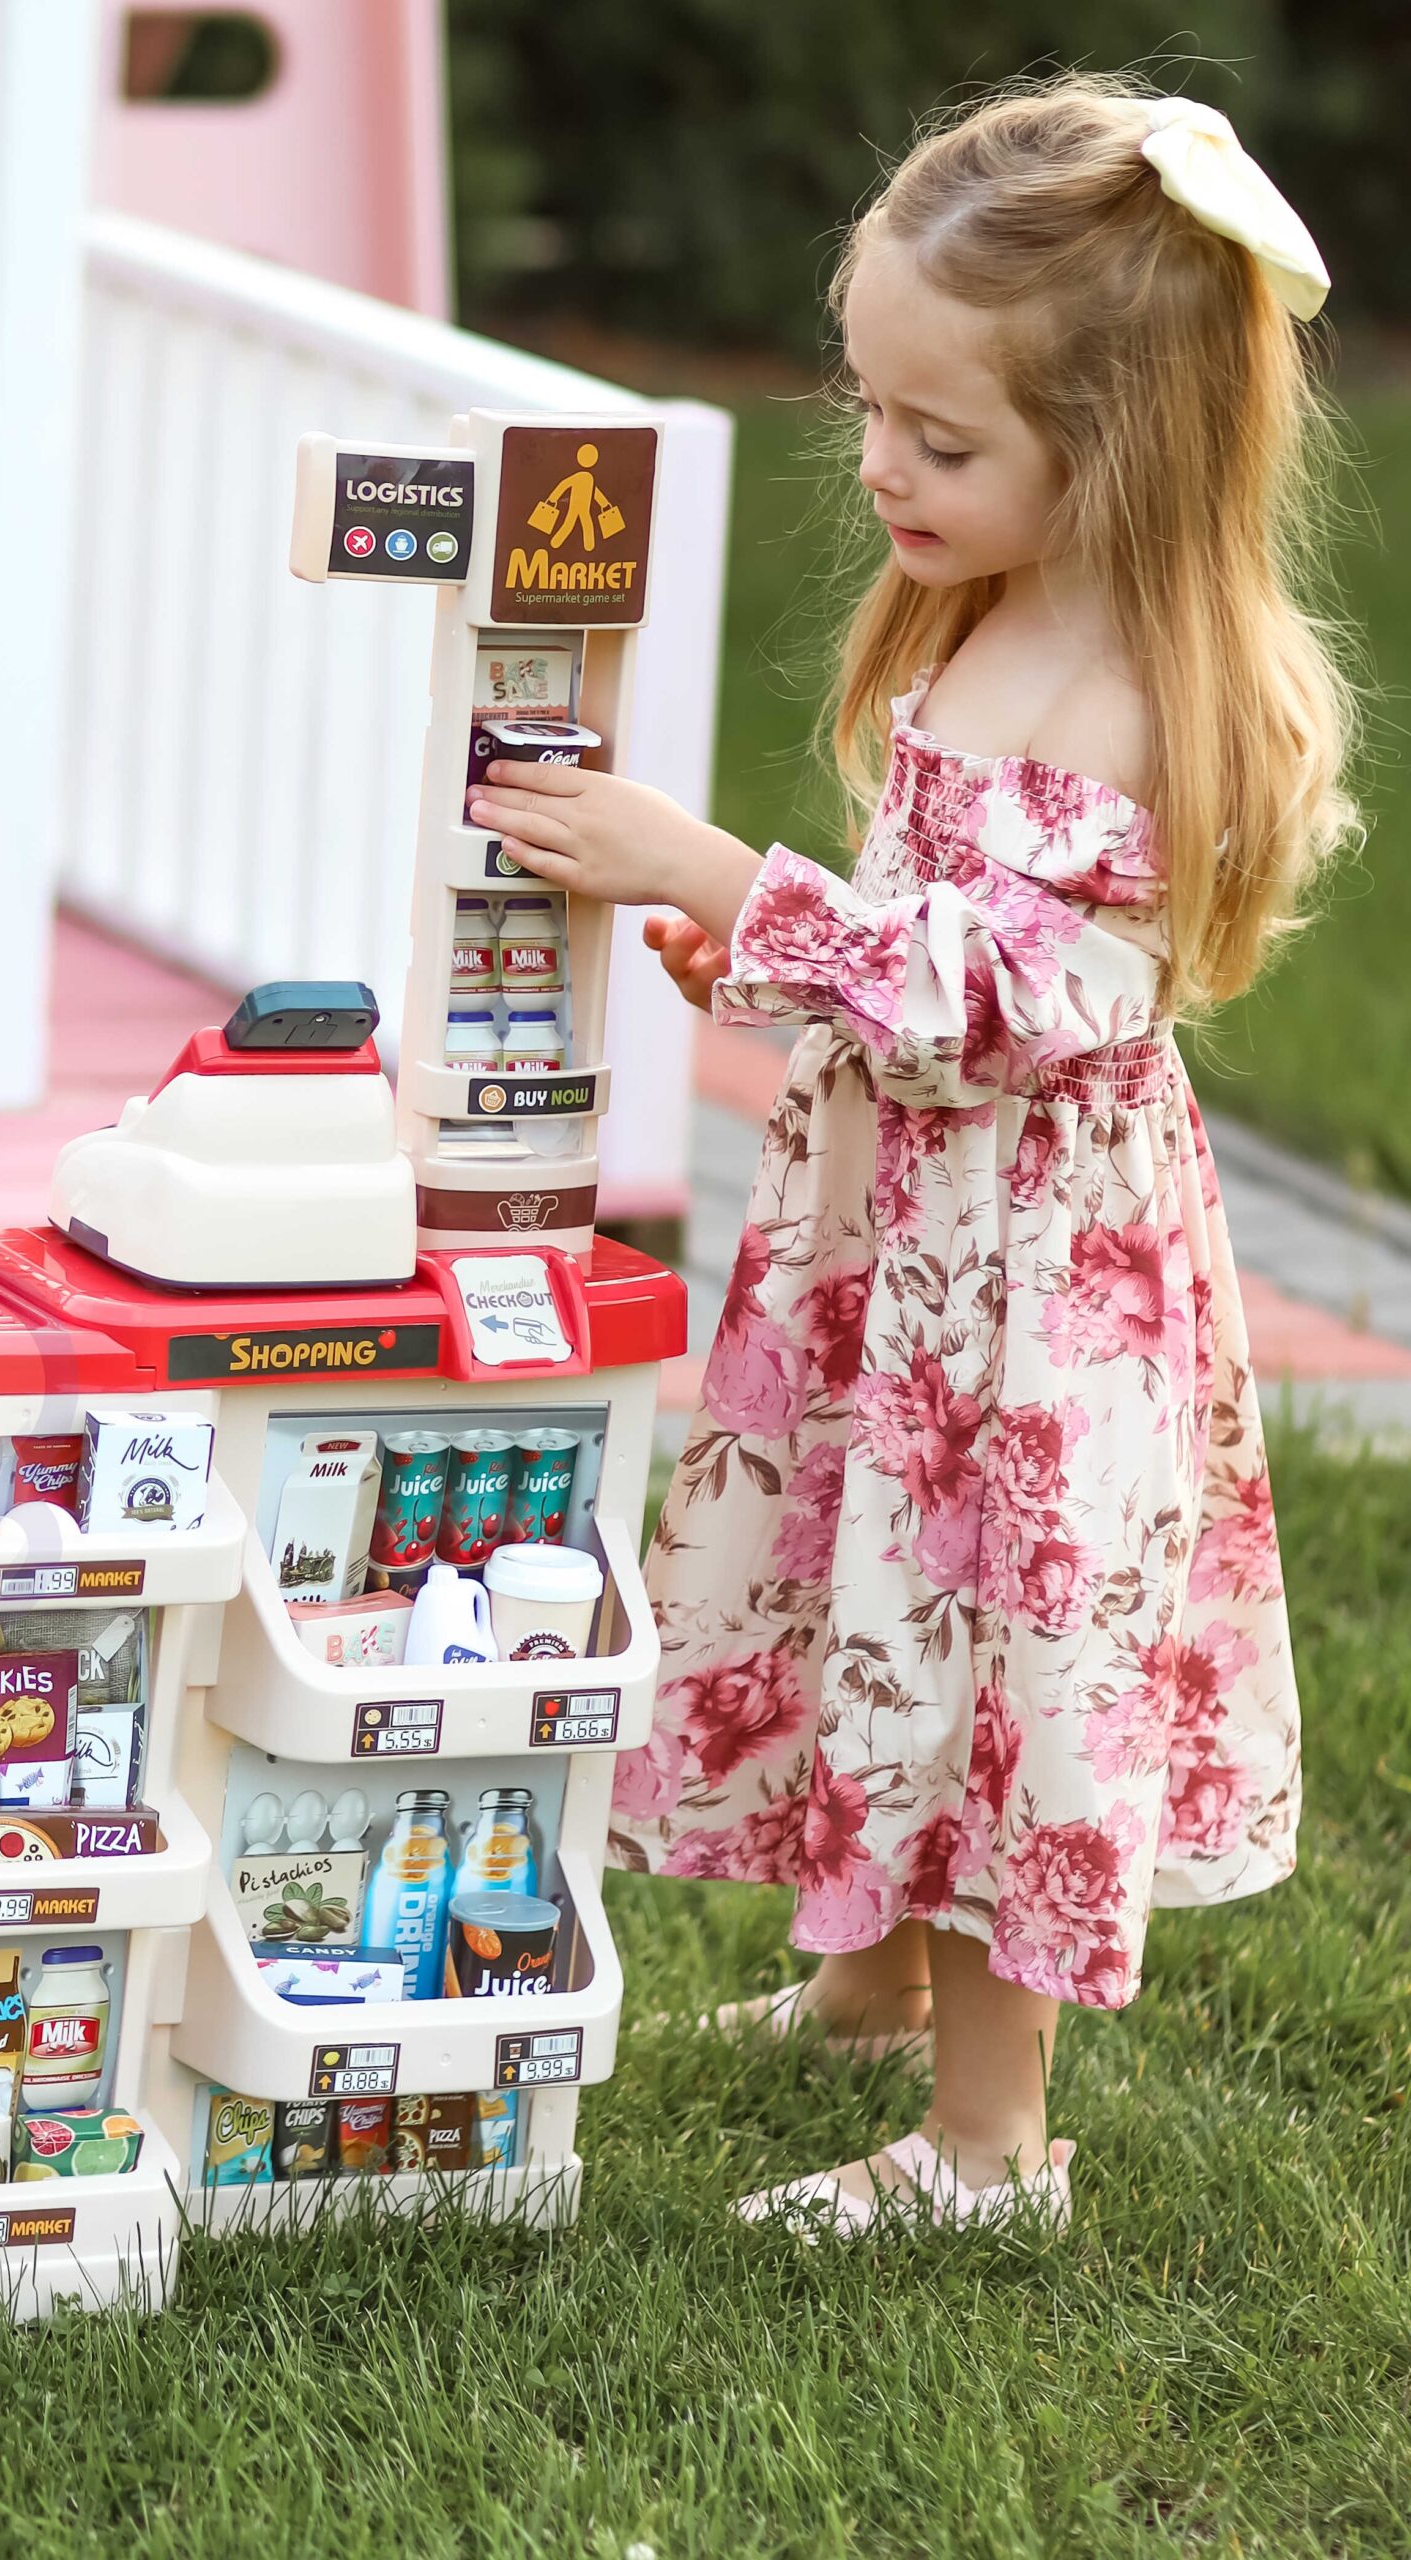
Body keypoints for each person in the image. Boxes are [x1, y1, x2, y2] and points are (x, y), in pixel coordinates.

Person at [466, 79, 1355, 2236]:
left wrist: (717, 865)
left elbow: (1016, 1002)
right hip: (904, 1250)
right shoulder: (975, 618)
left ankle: (986, 2146)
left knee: (988, 1659)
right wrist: (759, 959)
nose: (874, 466)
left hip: (1029, 1303)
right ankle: (861, 1981)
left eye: (934, 438)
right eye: (865, 406)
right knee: (872, 1599)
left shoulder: (1150, 686)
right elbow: (913, 957)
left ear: (1117, 446)